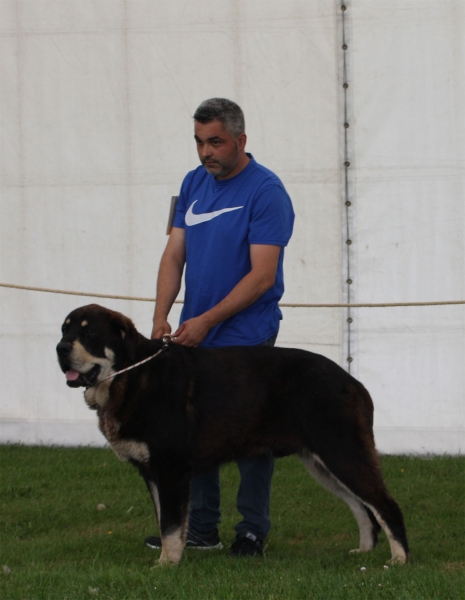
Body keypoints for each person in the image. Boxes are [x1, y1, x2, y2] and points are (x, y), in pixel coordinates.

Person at [145, 98, 294, 557]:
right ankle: (200, 530)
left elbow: (262, 276)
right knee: (193, 432)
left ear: (240, 140)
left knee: (253, 437)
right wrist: (159, 317)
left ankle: (252, 531)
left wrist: (207, 321)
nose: (205, 152)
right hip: (194, 335)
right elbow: (174, 255)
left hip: (248, 336)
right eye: (198, 142)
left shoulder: (267, 191)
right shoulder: (193, 183)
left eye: (215, 142)